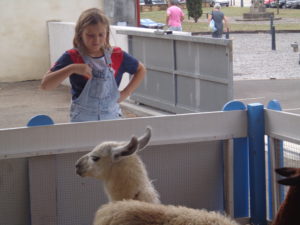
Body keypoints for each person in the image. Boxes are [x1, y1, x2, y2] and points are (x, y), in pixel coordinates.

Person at [41, 8, 146, 122]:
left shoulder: (117, 55)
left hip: (112, 117)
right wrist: (72, 68)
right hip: (82, 120)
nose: (96, 40)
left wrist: (126, 92)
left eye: (101, 35)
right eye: (90, 35)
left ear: (107, 33)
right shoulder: (72, 56)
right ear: (80, 34)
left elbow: (141, 69)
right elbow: (46, 85)